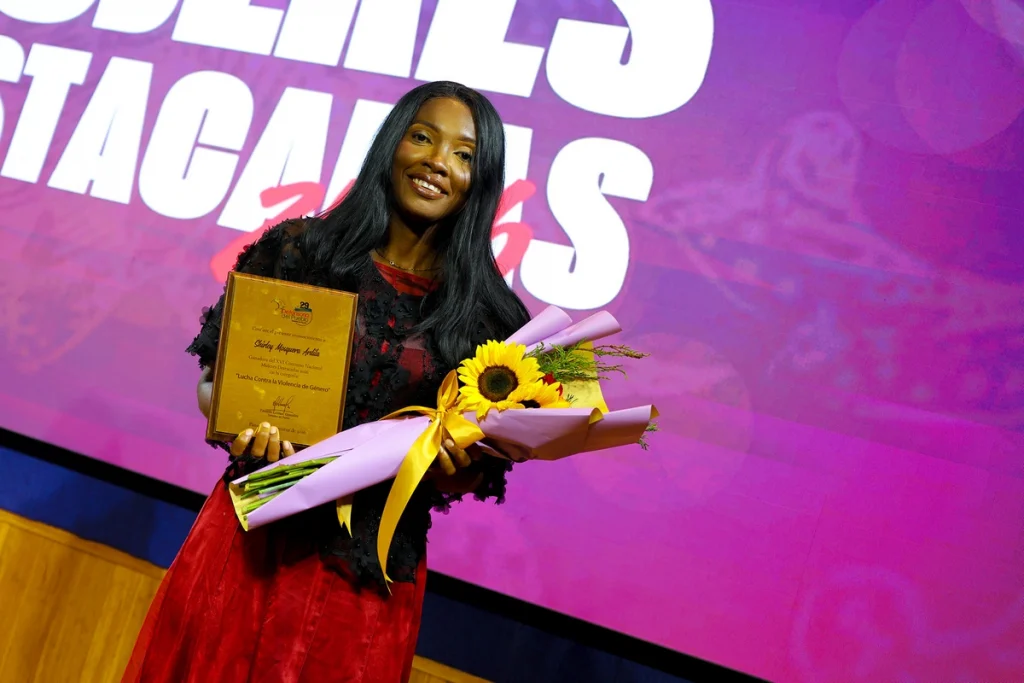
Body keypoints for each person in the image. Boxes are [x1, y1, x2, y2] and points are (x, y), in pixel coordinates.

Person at [122, 81, 531, 683]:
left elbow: (479, 465)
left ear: (483, 179)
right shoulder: (302, 252)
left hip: (363, 579)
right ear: (392, 146)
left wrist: (454, 464)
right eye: (422, 137)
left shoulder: (492, 324)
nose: (437, 162)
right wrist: (241, 425)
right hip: (254, 541)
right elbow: (215, 386)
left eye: (464, 155)